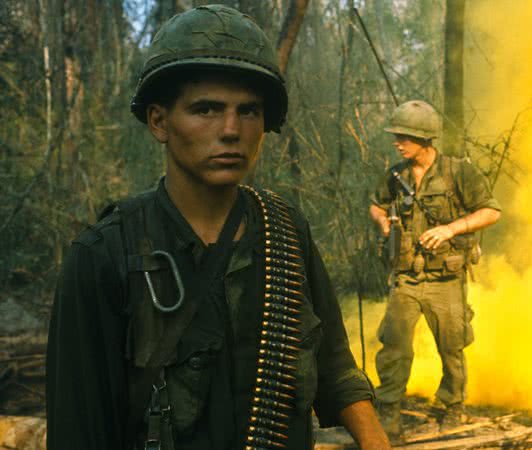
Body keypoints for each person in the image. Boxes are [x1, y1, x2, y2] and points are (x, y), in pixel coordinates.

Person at [46, 5, 390, 450]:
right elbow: (79, 429)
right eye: (205, 109)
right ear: (159, 121)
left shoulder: (285, 231)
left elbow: (335, 367)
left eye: (248, 111)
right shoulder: (104, 254)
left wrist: (374, 437)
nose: (231, 130)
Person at [369, 100, 501, 437]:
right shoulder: (395, 176)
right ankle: (388, 413)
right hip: (407, 279)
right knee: (395, 346)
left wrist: (450, 229)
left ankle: (451, 406)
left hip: (446, 279)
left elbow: (491, 212)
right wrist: (385, 222)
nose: (397, 142)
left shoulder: (459, 172)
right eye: (396, 136)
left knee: (452, 348)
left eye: (404, 137)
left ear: (425, 139)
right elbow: (375, 204)